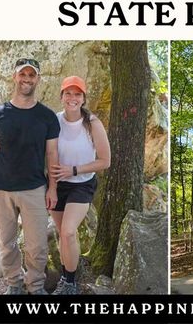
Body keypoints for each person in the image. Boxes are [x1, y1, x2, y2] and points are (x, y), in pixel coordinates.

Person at [0, 58, 60, 295]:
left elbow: (52, 153)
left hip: (34, 188)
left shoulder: (47, 116)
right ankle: (14, 283)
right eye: (22, 74)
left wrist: (53, 187)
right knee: (6, 243)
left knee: (37, 245)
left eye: (31, 75)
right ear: (14, 77)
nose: (27, 79)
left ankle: (35, 286)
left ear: (38, 79)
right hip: (1, 188)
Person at [50, 76, 111, 295]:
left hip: (82, 184)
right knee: (62, 234)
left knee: (68, 232)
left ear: (83, 98)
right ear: (62, 96)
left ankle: (70, 283)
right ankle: (66, 276)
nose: (72, 98)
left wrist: (74, 170)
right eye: (68, 93)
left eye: (77, 94)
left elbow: (105, 161)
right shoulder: (54, 120)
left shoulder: (92, 123)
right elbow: (32, 142)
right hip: (57, 184)